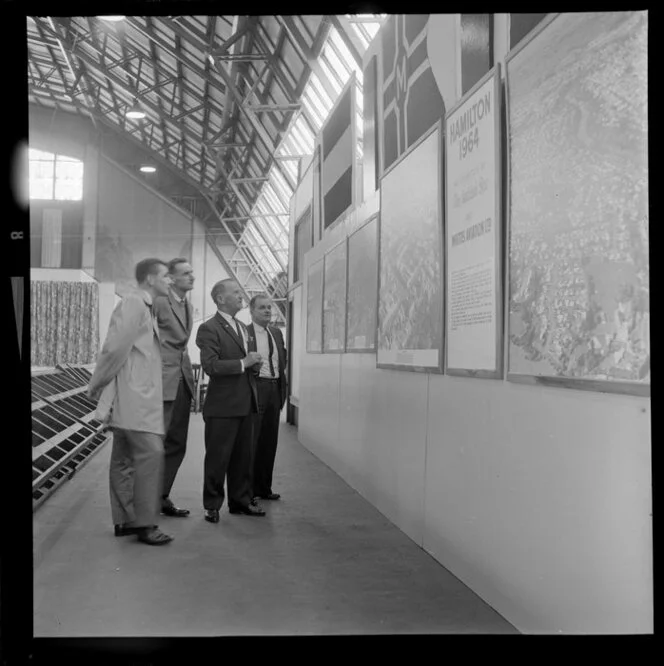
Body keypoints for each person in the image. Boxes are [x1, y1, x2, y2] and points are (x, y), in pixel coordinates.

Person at [87, 258, 174, 546]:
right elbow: (114, 348)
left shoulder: (144, 306)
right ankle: (145, 524)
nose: (170, 280)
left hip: (137, 395)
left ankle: (124, 521)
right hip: (135, 397)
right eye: (166, 276)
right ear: (150, 278)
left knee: (124, 459)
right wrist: (97, 383)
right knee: (151, 456)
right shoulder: (134, 304)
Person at [195, 279, 266, 523]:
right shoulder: (209, 328)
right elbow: (210, 365)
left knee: (243, 457)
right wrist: (243, 363)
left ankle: (241, 501)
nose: (241, 295)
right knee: (218, 457)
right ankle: (212, 505)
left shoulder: (243, 328)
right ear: (220, 299)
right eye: (235, 292)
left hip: (246, 402)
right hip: (223, 406)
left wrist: (254, 365)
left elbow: (245, 363)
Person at [153, 258, 196, 518]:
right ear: (171, 278)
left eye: (192, 273)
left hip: (182, 380)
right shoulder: (159, 302)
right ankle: (144, 499)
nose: (192, 277)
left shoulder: (187, 304)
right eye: (186, 273)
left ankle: (161, 496)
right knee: (155, 443)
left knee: (177, 442)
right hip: (160, 381)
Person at [247, 294, 288, 502]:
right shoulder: (245, 333)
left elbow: (283, 358)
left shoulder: (276, 333)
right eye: (262, 308)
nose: (267, 311)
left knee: (269, 442)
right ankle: (249, 490)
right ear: (251, 311)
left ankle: (264, 487)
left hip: (274, 389)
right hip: (257, 388)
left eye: (269, 308)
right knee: (252, 442)